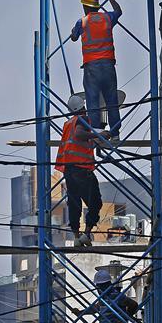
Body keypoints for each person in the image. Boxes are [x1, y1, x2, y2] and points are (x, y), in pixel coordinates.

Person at [56, 94, 110, 247]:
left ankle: (76, 236)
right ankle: (86, 233)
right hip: (82, 169)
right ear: (83, 107)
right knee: (95, 202)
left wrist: (93, 136)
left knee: (74, 202)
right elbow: (79, 135)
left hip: (69, 169)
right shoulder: (83, 120)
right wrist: (98, 134)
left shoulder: (68, 124)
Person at [70, 0, 123, 138]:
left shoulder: (82, 22)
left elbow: (74, 37)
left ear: (85, 7)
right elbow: (118, 11)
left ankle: (97, 133)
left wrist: (73, 32)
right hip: (108, 66)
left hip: (91, 68)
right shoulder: (107, 18)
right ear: (98, 6)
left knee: (92, 100)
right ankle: (115, 133)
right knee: (111, 100)